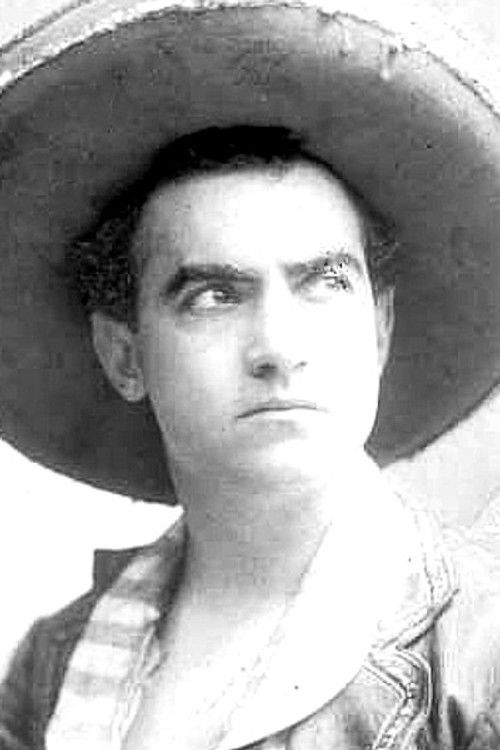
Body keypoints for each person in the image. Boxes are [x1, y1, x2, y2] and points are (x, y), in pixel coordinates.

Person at [2, 1, 500, 748]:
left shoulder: (480, 660)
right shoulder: (53, 667)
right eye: (214, 295)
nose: (279, 347)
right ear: (125, 356)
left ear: (379, 329)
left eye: (324, 281)